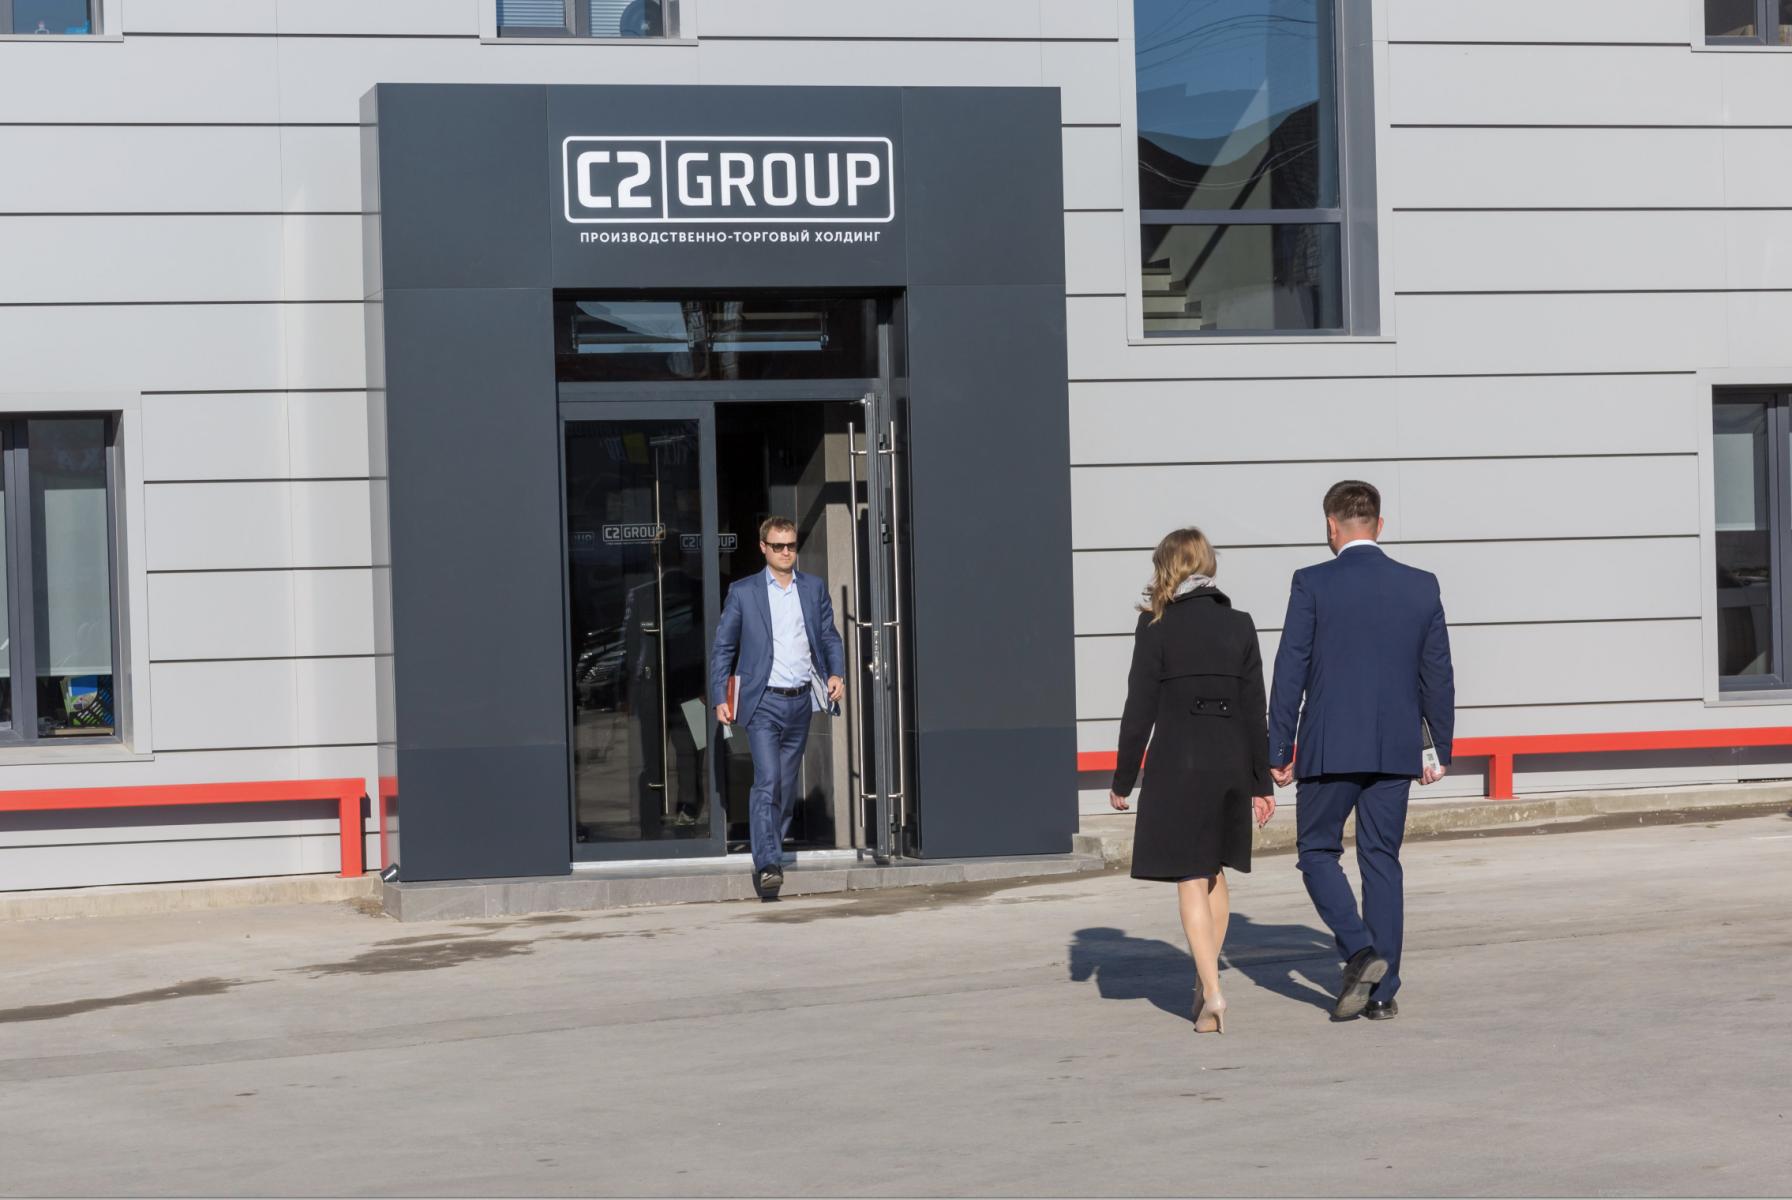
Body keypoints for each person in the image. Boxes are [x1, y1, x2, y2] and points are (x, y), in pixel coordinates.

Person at [1268, 480, 1455, 1022]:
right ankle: (1383, 993)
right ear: (1380, 524)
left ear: (1331, 526)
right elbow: (1437, 673)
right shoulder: (1421, 586)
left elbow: (1290, 669)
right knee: (1381, 860)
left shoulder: (1311, 583)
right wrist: (1439, 746)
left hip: (1329, 746)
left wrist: (1278, 745)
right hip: (1395, 746)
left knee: (1317, 851)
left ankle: (1359, 951)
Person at [1108, 527, 1275, 1033]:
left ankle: (1214, 991)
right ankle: (1204, 987)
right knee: (1214, 872)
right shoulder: (1240, 624)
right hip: (1230, 761)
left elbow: (1139, 710)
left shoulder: (1156, 626)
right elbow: (1255, 709)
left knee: (1189, 876)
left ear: (1167, 567)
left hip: (1179, 764)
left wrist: (1123, 779)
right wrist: (1261, 783)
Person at [710, 516, 845, 899]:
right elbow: (723, 648)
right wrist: (720, 696)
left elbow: (828, 636)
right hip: (762, 702)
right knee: (767, 780)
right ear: (763, 547)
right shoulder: (744, 592)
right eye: (778, 546)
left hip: (800, 701)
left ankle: (772, 851)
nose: (786, 552)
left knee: (784, 787)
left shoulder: (813, 588)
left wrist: (836, 672)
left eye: (791, 545)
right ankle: (768, 863)